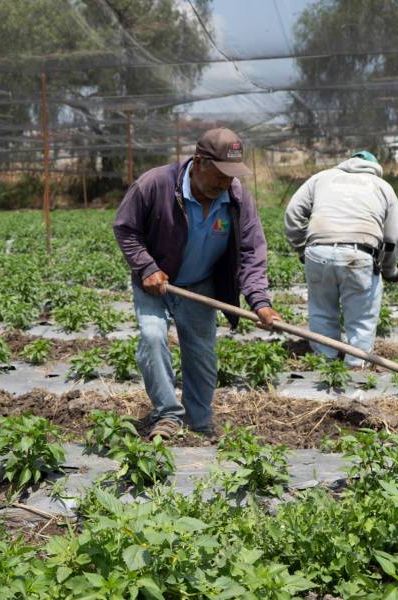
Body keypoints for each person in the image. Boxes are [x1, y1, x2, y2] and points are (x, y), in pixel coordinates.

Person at [113, 128, 280, 440]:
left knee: (202, 354)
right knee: (152, 337)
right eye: (220, 175)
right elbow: (125, 228)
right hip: (156, 283)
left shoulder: (236, 196)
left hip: (200, 284)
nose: (226, 183)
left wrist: (260, 301)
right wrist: (147, 267)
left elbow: (251, 250)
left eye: (232, 176)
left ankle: (199, 423)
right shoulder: (156, 184)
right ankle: (167, 415)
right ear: (200, 162)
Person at [284, 150, 398, 368]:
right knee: (361, 319)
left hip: (318, 252)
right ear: (376, 168)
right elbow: (392, 236)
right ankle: (356, 367)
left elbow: (293, 213)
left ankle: (325, 362)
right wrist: (389, 269)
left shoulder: (321, 178)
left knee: (321, 311)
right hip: (359, 255)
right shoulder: (382, 187)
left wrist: (301, 248)